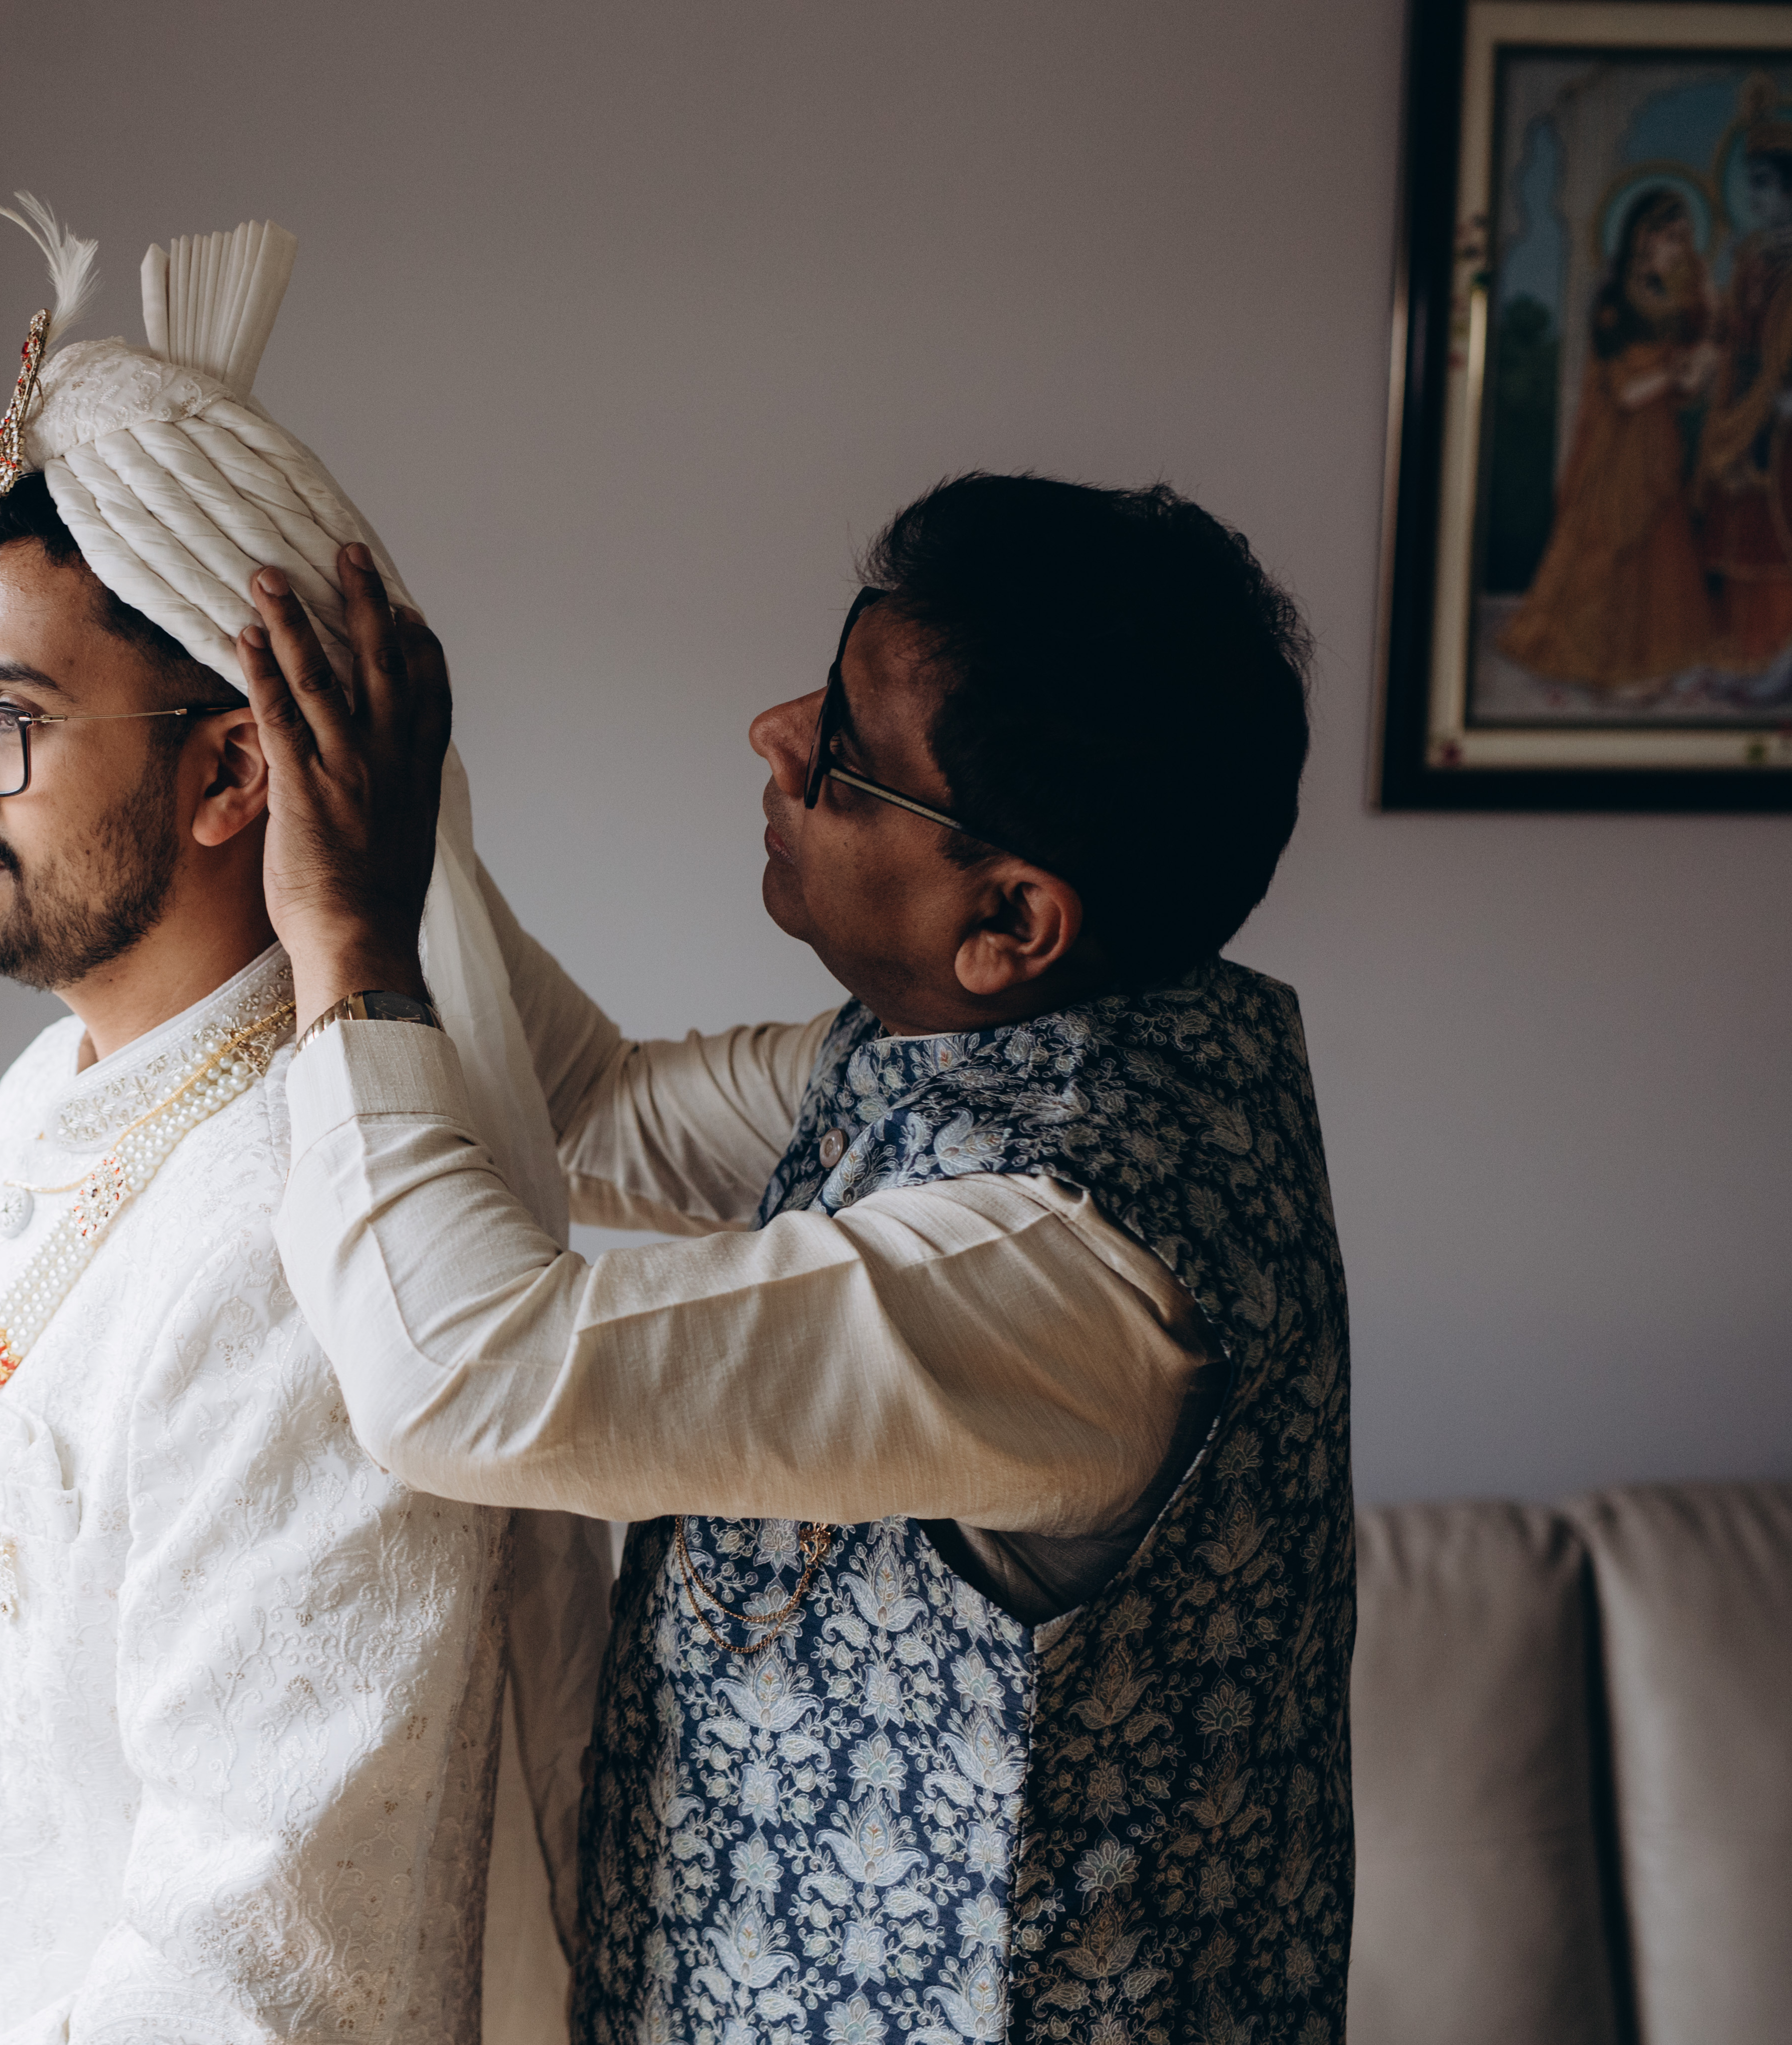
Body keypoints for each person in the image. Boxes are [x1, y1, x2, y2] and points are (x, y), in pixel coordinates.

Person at [235, 476, 1354, 2043]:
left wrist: (344, 929)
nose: (768, 733)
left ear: (1009, 916)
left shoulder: (1061, 1273)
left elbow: (457, 1372)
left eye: (835, 746)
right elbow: (584, 1109)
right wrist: (391, 817)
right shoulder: (1013, 1047)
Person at [0, 200, 606, 2045]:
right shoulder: (46, 1096)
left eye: (8, 720)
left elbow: (256, 1967)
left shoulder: (306, 1242)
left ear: (231, 766)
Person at [1497, 186, 1718, 689]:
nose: (1679, 249)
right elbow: (1625, 392)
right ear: (1643, 236)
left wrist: (1700, 350)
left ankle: (1645, 661)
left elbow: (1683, 388)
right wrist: (1678, 368)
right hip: (1618, 455)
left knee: (1657, 559)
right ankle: (1607, 667)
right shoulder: (1615, 301)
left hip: (1658, 449)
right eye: (1671, 237)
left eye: (1684, 238)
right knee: (1608, 555)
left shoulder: (1670, 302)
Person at [1699, 84, 1792, 672]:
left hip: (1785, 417)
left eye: (1763, 183)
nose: (1752, 195)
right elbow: (1733, 334)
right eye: (1749, 183)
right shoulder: (1751, 257)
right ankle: (1743, 649)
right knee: (1739, 522)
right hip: (1742, 409)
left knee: (1777, 528)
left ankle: (1778, 653)